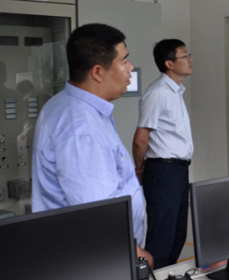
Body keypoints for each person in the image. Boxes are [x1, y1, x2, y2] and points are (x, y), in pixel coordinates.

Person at [31, 23, 152, 266]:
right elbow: (98, 213)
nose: (130, 67)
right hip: (99, 260)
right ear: (97, 72)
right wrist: (137, 255)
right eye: (124, 60)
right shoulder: (81, 129)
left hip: (97, 255)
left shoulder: (69, 105)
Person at [132, 40, 194, 269]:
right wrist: (140, 169)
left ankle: (170, 277)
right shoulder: (157, 93)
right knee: (162, 235)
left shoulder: (175, 92)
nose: (190, 60)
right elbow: (140, 139)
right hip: (162, 170)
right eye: (184, 56)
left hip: (178, 170)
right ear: (169, 63)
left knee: (177, 232)